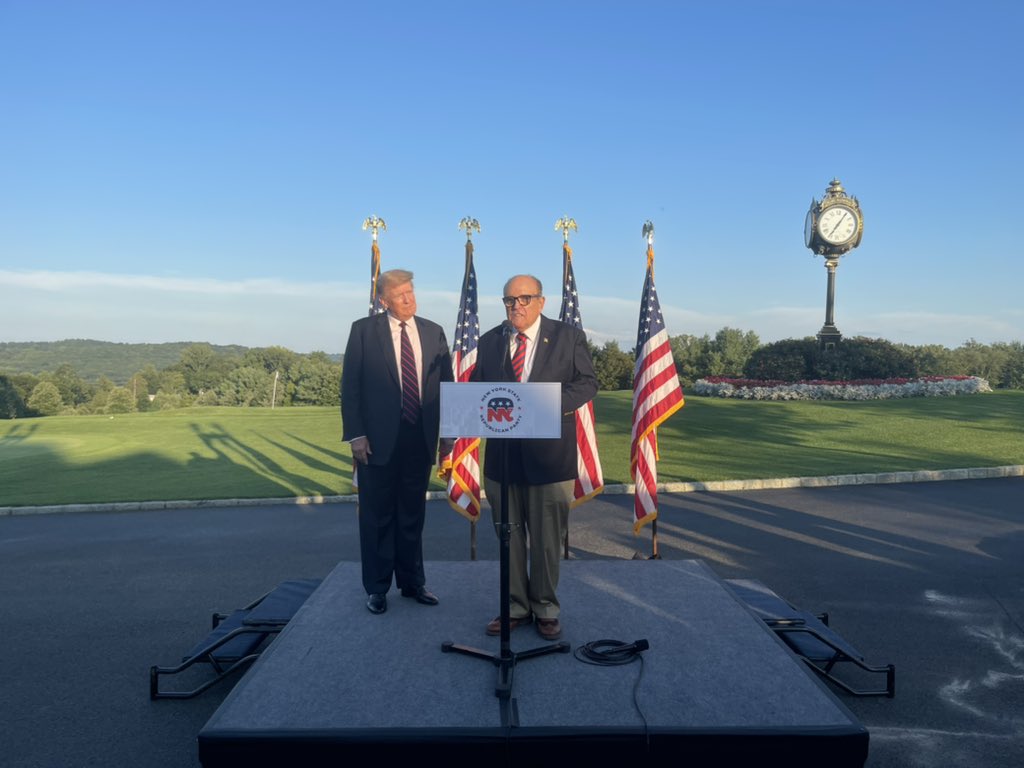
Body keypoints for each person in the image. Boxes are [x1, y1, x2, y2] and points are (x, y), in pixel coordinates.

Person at [471, 274, 598, 641]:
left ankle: (545, 608)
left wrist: (545, 403)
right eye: (510, 300)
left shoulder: (567, 337)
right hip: (503, 459)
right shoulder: (491, 340)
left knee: (545, 541)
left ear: (541, 301)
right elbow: (478, 390)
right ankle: (514, 607)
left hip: (549, 458)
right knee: (508, 537)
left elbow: (587, 383)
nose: (517, 306)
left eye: (524, 298)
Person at [341, 269, 454, 614]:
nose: (409, 299)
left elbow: (447, 386)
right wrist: (356, 434)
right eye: (400, 294)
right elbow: (351, 386)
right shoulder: (363, 331)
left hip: (419, 438)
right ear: (383, 300)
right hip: (375, 442)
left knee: (411, 514)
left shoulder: (433, 332)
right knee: (376, 516)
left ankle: (412, 582)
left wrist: (448, 435)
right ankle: (377, 588)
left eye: (411, 292)